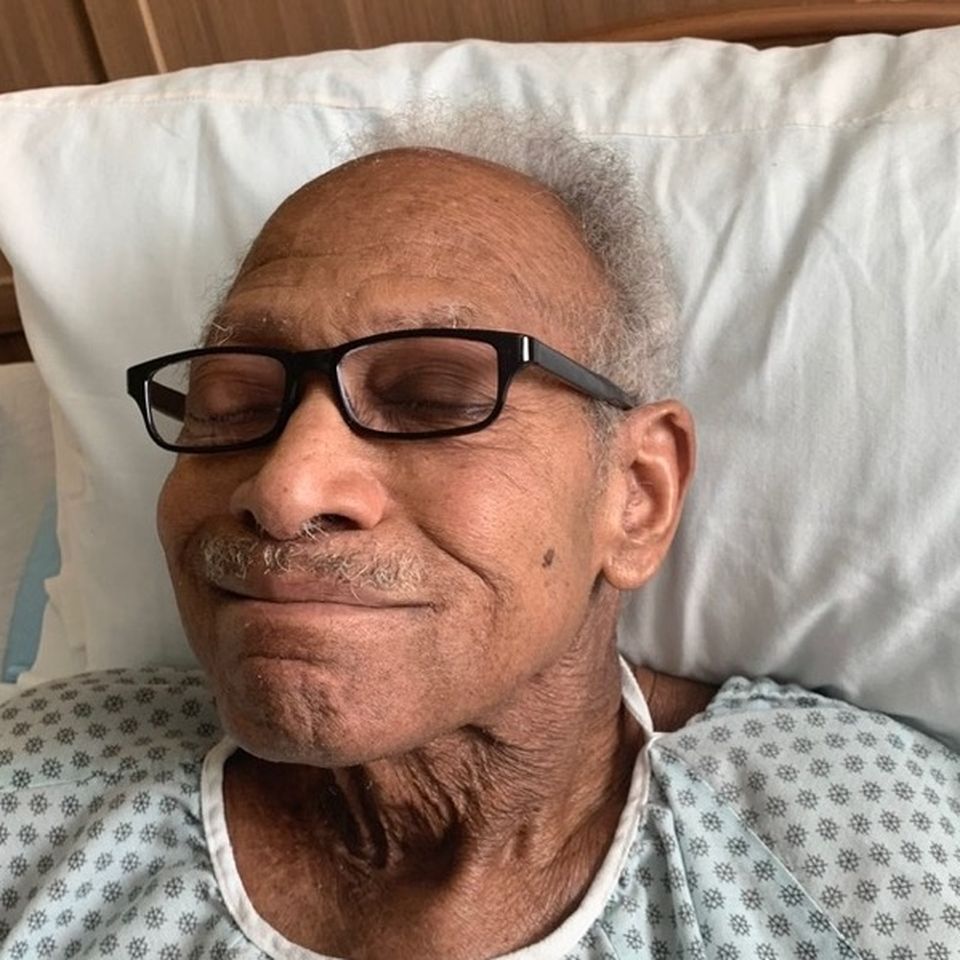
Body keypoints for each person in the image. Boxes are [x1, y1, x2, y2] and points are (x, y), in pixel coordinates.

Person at [3, 116, 960, 960]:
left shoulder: (863, 851)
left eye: (433, 397)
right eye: (235, 402)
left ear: (636, 496)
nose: (285, 489)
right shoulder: (30, 794)